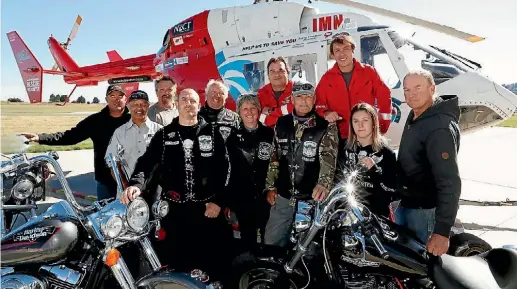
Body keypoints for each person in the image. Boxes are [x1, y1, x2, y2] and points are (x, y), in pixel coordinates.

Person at [120, 88, 232, 284]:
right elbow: (146, 163)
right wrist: (136, 185)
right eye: (184, 99)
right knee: (177, 265)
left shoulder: (214, 133)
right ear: (177, 104)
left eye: (193, 100)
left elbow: (226, 170)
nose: (188, 103)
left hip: (208, 210)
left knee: (213, 264)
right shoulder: (164, 135)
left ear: (199, 105)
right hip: (175, 212)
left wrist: (218, 202)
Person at [20, 85, 131, 200]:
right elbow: (70, 136)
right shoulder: (95, 121)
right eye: (112, 96)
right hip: (106, 181)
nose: (116, 100)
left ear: (125, 99)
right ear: (106, 99)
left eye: (120, 96)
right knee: (107, 214)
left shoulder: (134, 119)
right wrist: (40, 137)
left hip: (131, 179)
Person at [263, 80, 339, 247]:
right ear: (292, 99)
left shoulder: (325, 127)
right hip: (284, 196)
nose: (303, 101)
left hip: (311, 198)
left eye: (308, 97)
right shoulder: (281, 123)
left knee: (308, 248)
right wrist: (270, 187)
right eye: (299, 97)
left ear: (314, 99)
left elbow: (329, 159)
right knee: (270, 242)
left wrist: (324, 184)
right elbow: (274, 157)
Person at [396, 70, 461, 257]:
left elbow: (449, 181)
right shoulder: (418, 115)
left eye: (418, 87)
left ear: (432, 88)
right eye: (407, 90)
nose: (411, 94)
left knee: (423, 268)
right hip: (409, 204)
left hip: (425, 212)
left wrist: (441, 231)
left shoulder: (439, 128)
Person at [315, 33, 392, 142]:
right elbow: (318, 104)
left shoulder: (369, 72)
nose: (342, 53)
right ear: (332, 55)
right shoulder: (326, 79)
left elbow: (384, 96)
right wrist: (326, 113)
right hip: (341, 137)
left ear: (353, 50)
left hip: (367, 135)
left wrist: (382, 127)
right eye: (337, 50)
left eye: (346, 48)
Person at [226, 94, 274, 249]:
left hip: (266, 195)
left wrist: (272, 188)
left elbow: (277, 163)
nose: (249, 112)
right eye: (244, 108)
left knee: (269, 236)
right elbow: (227, 169)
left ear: (259, 110)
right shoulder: (232, 137)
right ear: (239, 112)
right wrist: (228, 199)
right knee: (247, 239)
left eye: (253, 107)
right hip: (242, 196)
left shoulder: (270, 134)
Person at [334, 102, 398, 218]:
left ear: (374, 123)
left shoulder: (387, 154)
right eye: (356, 121)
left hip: (375, 219)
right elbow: (336, 182)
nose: (360, 125)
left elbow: (391, 193)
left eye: (365, 120)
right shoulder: (343, 149)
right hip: (345, 217)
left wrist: (375, 171)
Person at [105, 90, 163, 189]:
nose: (139, 108)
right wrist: (126, 187)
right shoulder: (119, 132)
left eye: (143, 104)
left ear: (148, 106)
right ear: (128, 106)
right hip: (128, 192)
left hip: (155, 192)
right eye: (135, 104)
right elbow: (113, 163)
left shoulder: (160, 131)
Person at [256, 57, 294, 127]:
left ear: (288, 73)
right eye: (272, 71)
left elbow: (300, 111)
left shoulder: (297, 90)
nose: (277, 74)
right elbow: (257, 117)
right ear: (268, 75)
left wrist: (270, 111)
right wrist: (285, 112)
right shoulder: (261, 93)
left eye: (280, 70)